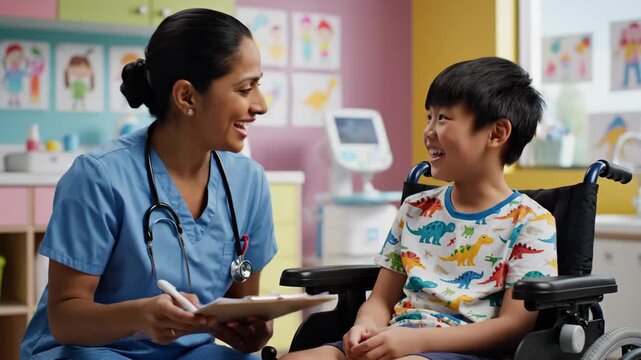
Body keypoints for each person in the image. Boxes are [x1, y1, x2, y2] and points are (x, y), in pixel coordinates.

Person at [21, 8, 275, 360]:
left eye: (258, 85)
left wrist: (253, 332)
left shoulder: (249, 182)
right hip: (88, 350)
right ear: (186, 96)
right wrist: (138, 316)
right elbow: (65, 319)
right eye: (245, 88)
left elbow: (239, 310)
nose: (261, 105)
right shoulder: (100, 176)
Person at [282, 57, 557, 360]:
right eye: (429, 117)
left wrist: (417, 343)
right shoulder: (416, 208)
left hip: (460, 352)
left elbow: (512, 327)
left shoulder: (532, 222)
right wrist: (366, 325)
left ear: (496, 133)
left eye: (444, 118)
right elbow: (380, 300)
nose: (429, 131)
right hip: (394, 340)